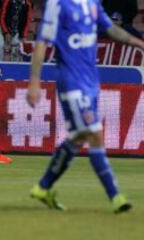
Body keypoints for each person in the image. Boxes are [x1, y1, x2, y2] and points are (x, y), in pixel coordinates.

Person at [27, 0, 144, 213]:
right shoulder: (57, 4)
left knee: (78, 137)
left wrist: (139, 43)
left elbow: (111, 30)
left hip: (91, 81)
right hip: (71, 80)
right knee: (94, 134)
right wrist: (34, 81)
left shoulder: (92, 3)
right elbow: (42, 42)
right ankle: (116, 196)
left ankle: (43, 187)